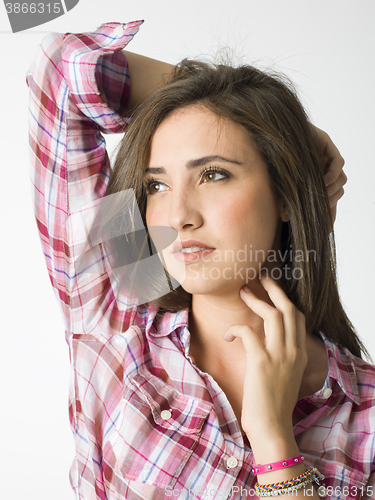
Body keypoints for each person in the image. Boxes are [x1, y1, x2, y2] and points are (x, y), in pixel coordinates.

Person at [27, 20, 375, 500]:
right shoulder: (121, 305)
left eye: (213, 175)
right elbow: (62, 71)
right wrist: (262, 115)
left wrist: (275, 443)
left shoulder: (365, 414)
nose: (178, 216)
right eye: (157, 186)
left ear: (287, 195)